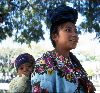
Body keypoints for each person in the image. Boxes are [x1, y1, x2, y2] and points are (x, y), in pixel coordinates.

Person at [31, 5, 96, 93]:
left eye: (76, 31)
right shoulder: (44, 64)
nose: (75, 35)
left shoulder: (75, 64)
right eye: (68, 30)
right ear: (55, 36)